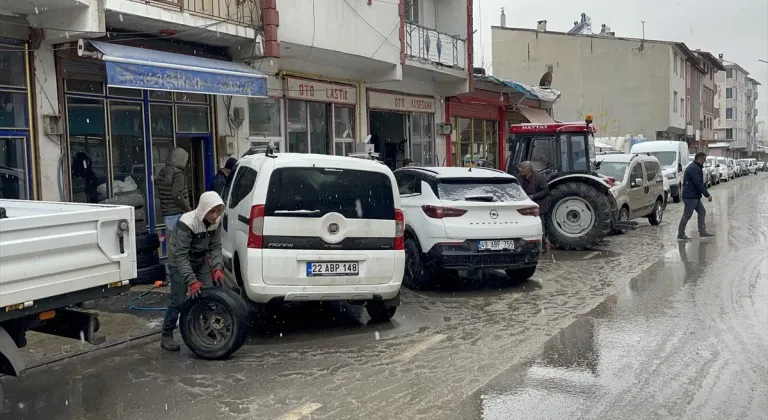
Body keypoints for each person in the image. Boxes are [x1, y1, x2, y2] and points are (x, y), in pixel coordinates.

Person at [160, 191, 226, 352]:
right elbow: (181, 255)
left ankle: (205, 332)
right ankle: (166, 334)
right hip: (179, 261)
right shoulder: (187, 223)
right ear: (204, 209)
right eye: (212, 211)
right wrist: (191, 280)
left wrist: (217, 267)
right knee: (178, 300)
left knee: (208, 295)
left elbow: (215, 246)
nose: (216, 215)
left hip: (200, 259)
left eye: (218, 211)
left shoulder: (216, 222)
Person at [678, 152, 714, 241]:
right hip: (690, 196)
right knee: (687, 215)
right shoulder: (694, 168)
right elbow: (698, 183)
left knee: (702, 212)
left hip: (694, 196)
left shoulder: (696, 167)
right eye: (704, 159)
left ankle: (702, 231)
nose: (705, 161)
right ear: (700, 158)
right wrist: (707, 195)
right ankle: (680, 234)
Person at [156, 147, 191, 231]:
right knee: (179, 239)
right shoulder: (178, 174)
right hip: (177, 211)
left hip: (166, 211)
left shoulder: (163, 171)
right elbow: (177, 194)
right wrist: (187, 208)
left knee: (171, 238)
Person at [518, 161, 550, 247]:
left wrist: (533, 196)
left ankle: (542, 243)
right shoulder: (520, 177)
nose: (521, 170)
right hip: (526, 204)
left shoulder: (539, 177)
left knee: (540, 223)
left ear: (528, 169)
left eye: (522, 168)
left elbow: (545, 190)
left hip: (539, 204)